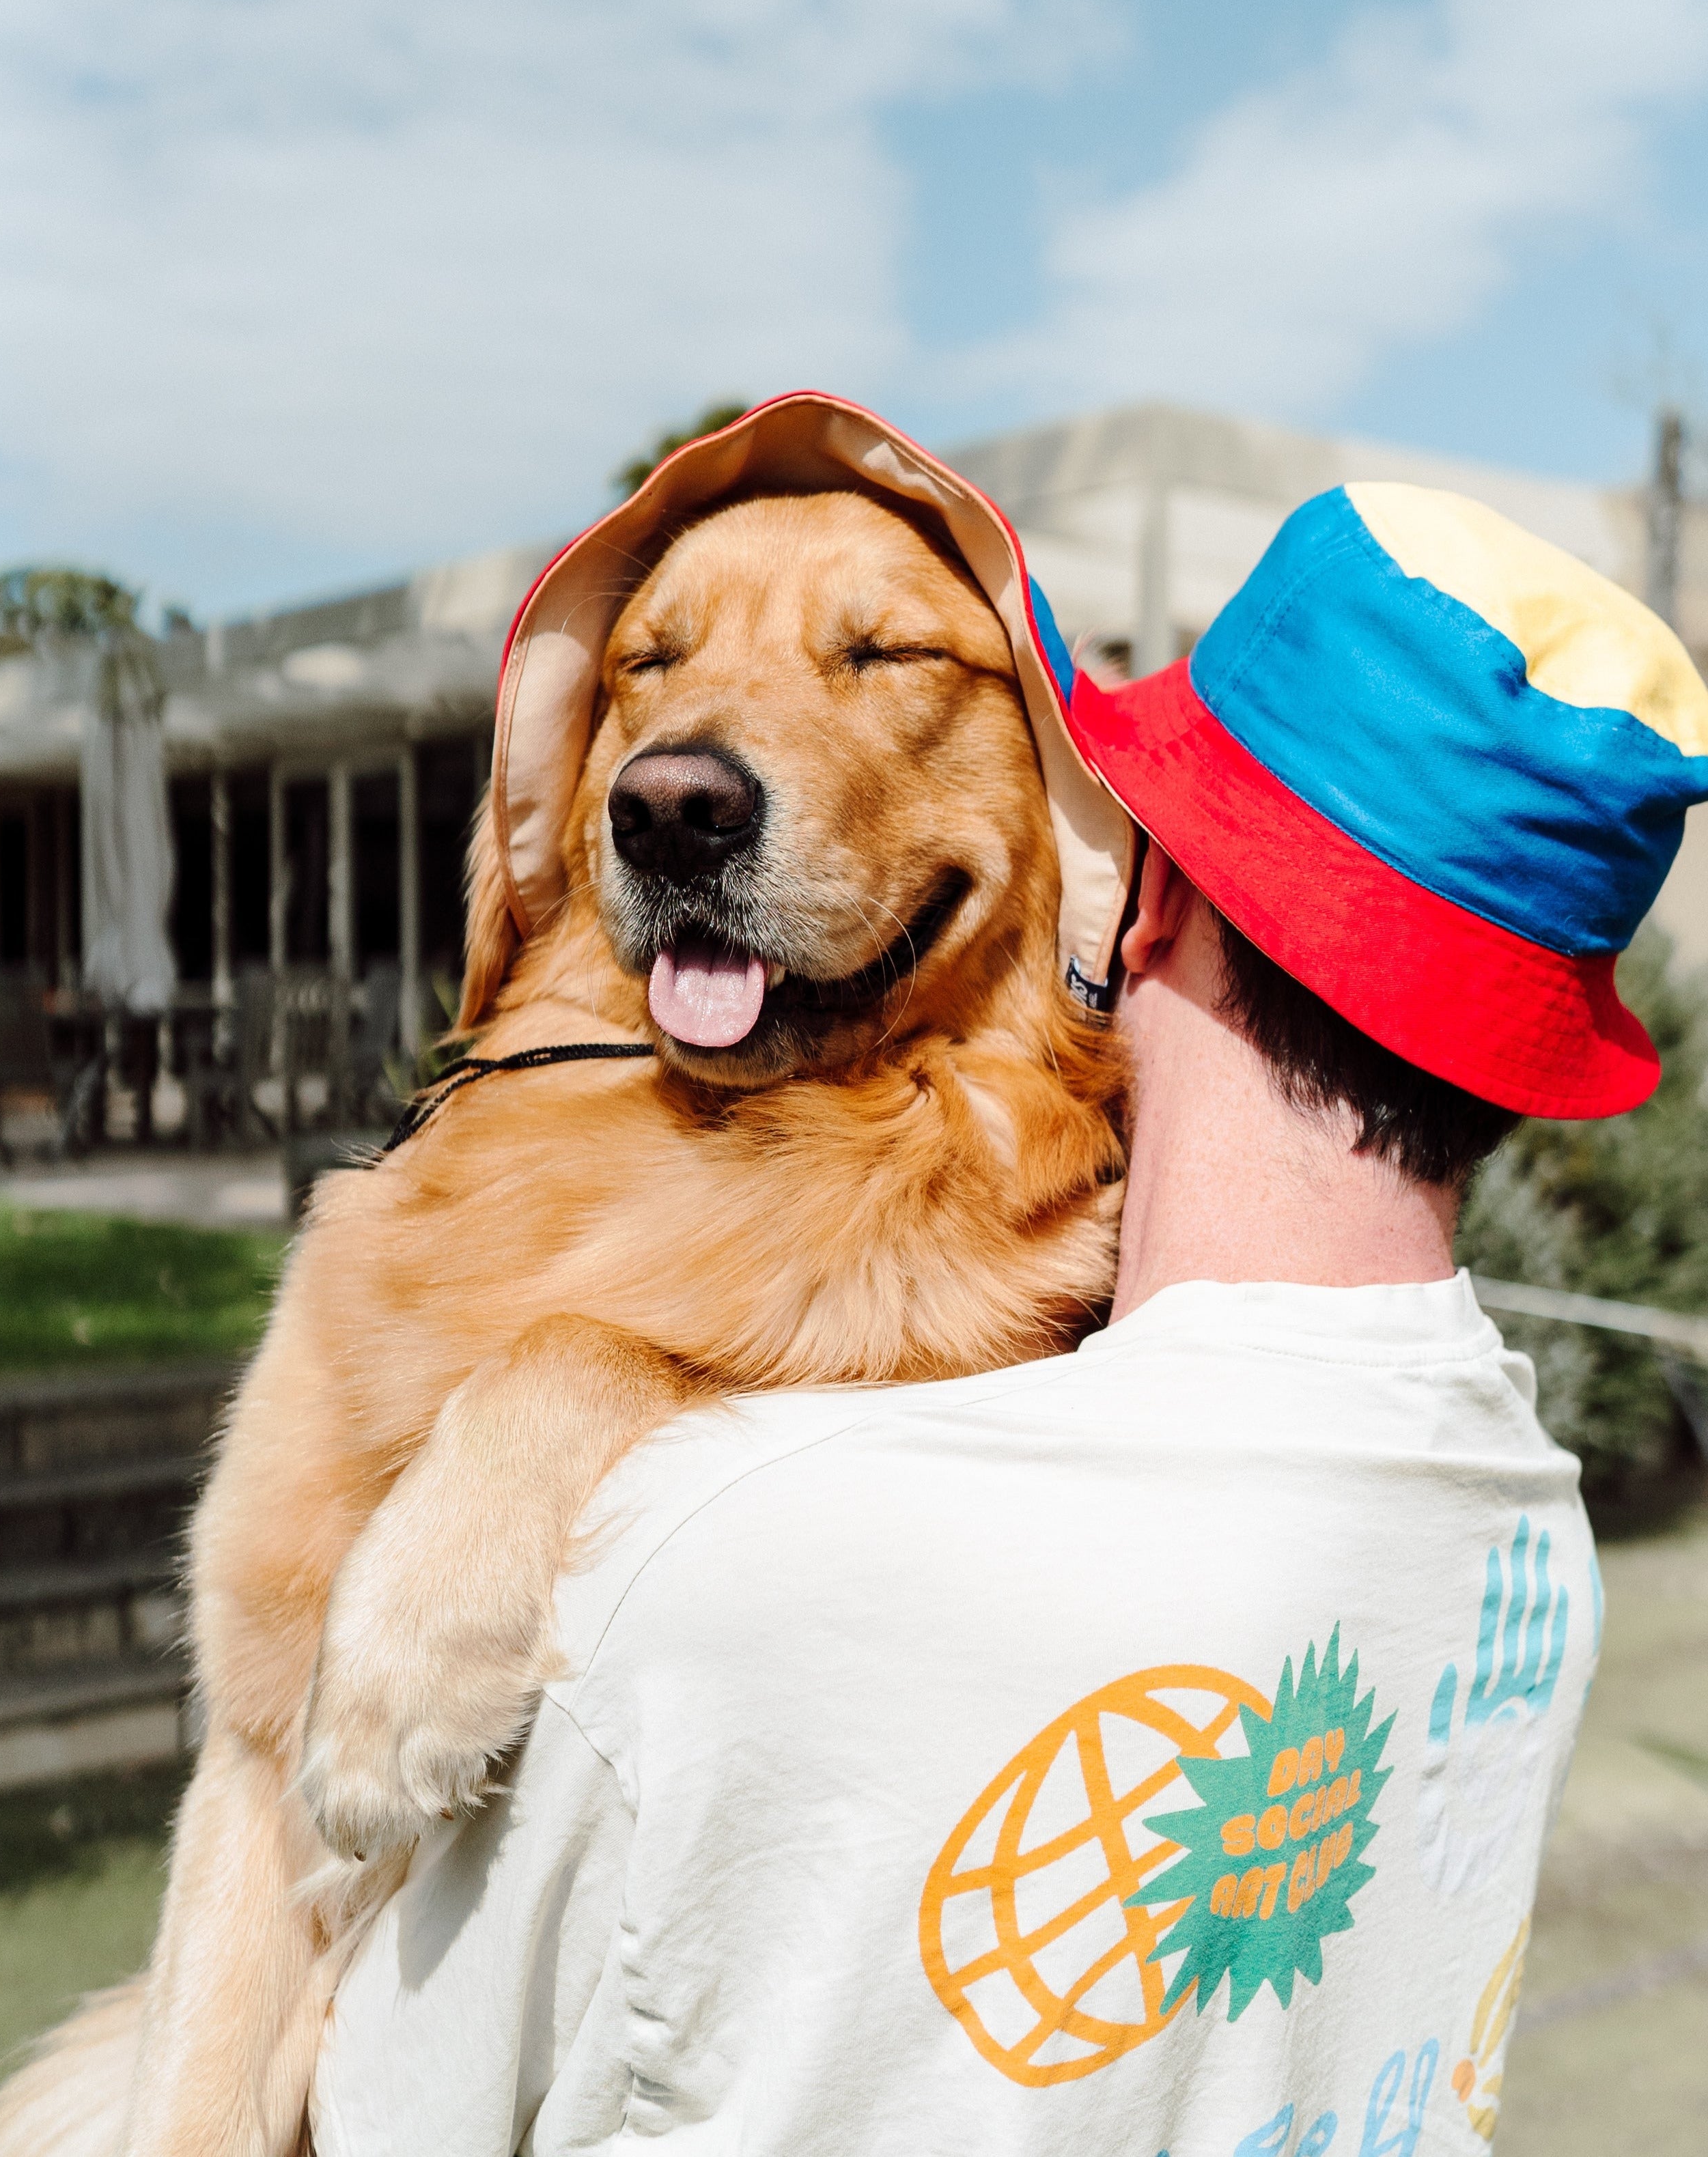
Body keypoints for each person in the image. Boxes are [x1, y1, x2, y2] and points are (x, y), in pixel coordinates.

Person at [311, 479, 1708, 2156]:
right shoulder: (1532, 1539)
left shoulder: (706, 1556)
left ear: (1151, 902)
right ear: (1512, 1049)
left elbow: (372, 2099)